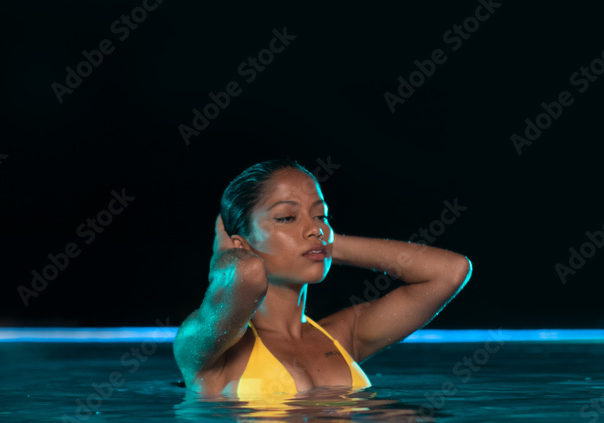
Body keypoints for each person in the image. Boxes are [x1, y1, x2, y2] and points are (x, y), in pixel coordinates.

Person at [173, 157, 472, 398]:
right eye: (287, 218)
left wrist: (328, 243)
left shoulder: (344, 336)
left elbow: (451, 270)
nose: (315, 228)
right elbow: (247, 274)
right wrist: (221, 258)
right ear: (241, 245)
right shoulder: (209, 349)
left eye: (320, 215)